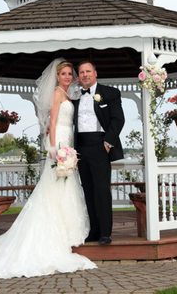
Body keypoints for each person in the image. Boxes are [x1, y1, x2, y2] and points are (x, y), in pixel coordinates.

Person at [0, 58, 96, 278]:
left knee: (65, 186)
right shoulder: (57, 94)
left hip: (68, 141)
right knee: (54, 186)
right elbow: (52, 123)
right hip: (59, 142)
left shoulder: (69, 94)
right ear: (57, 76)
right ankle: (56, 234)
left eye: (70, 74)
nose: (68, 77)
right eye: (64, 74)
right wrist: (54, 148)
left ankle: (67, 232)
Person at [73, 60, 125, 245]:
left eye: (88, 71)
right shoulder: (74, 95)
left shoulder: (110, 93)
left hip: (100, 145)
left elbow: (118, 119)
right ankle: (94, 231)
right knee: (88, 189)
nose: (85, 74)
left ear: (95, 73)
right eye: (81, 72)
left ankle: (105, 233)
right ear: (78, 76)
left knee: (101, 190)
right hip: (80, 148)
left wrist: (108, 141)